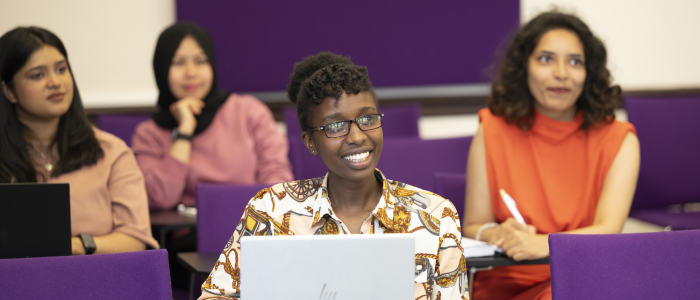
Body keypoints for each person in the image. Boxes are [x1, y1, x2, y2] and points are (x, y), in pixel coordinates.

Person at [197, 52, 469, 299]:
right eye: (336, 126)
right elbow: (214, 296)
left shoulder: (436, 215)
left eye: (367, 119)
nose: (357, 136)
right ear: (310, 142)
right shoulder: (271, 209)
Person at [461, 11, 640, 300]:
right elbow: (474, 225)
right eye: (546, 58)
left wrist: (543, 244)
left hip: (581, 277)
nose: (561, 73)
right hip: (506, 280)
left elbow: (609, 229)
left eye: (575, 61)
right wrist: (498, 234)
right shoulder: (492, 129)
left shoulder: (619, 139)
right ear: (524, 67)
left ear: (588, 73)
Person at [0, 26, 158, 255]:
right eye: (38, 75)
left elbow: (135, 240)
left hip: (95, 282)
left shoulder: (111, 152)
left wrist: (75, 245)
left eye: (61, 69)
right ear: (9, 91)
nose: (55, 82)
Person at [132, 22, 292, 210]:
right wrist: (184, 132)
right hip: (190, 235)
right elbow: (160, 198)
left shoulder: (249, 112)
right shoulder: (148, 134)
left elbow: (277, 179)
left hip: (252, 225)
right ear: (161, 68)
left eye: (200, 61)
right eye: (178, 62)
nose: (191, 73)